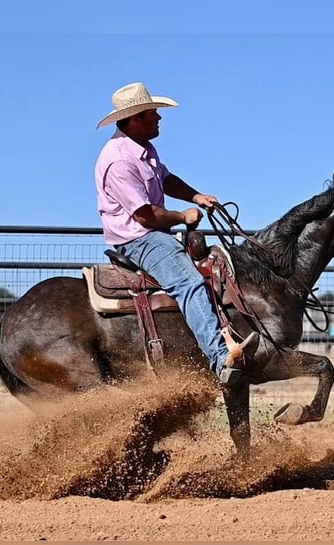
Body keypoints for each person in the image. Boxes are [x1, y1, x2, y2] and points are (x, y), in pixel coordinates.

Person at [94, 82, 258, 386]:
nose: (159, 117)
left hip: (149, 231)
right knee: (189, 281)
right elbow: (144, 215)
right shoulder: (118, 160)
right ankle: (220, 358)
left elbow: (165, 179)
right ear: (134, 119)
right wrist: (183, 216)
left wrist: (196, 197)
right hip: (137, 238)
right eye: (153, 112)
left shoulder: (144, 149)